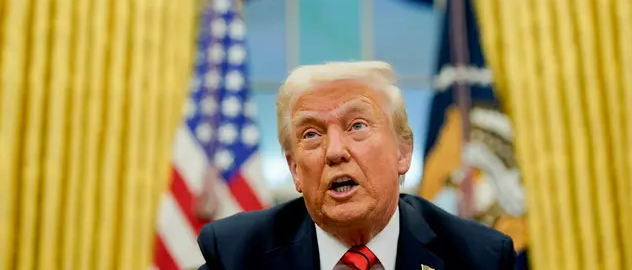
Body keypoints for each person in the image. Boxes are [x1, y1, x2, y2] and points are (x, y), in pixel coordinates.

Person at [197, 61, 516, 270]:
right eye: (311, 133)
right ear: (294, 169)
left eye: (357, 126)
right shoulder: (236, 255)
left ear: (403, 152)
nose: (335, 151)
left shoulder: (478, 257)